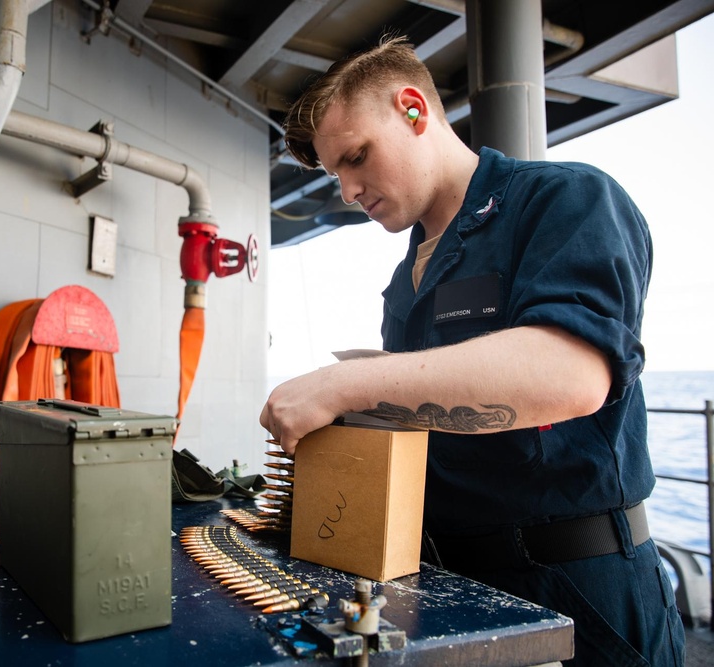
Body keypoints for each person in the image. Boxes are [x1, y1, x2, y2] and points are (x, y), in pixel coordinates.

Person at [260, 35, 685, 667]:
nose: (348, 190)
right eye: (335, 175)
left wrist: (338, 385)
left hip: (577, 585)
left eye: (356, 157)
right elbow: (422, 411)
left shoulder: (565, 199)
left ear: (412, 109)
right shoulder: (403, 285)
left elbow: (571, 375)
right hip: (446, 582)